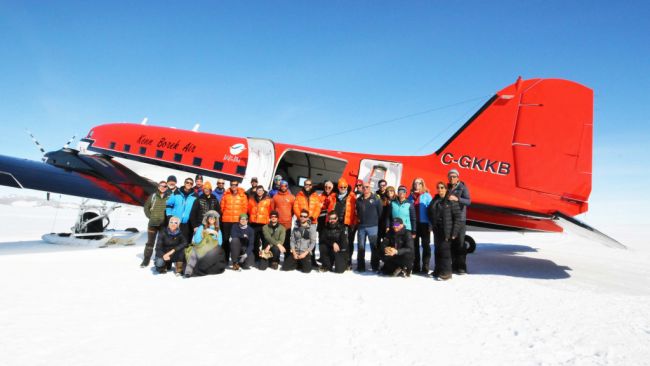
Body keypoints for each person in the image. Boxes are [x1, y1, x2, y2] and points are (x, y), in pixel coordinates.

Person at [428, 182, 462, 280]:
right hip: (437, 229)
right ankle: (438, 270)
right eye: (438, 188)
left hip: (447, 230)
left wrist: (455, 232)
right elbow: (430, 212)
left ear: (446, 189)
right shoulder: (435, 199)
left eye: (442, 188)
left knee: (445, 252)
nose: (440, 189)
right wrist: (432, 224)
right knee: (438, 250)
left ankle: (446, 272)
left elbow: (457, 217)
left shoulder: (451, 200)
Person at [183, 210, 227, 277]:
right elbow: (197, 240)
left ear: (215, 219)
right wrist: (205, 234)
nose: (211, 219)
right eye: (210, 217)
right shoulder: (201, 227)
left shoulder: (218, 230)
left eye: (213, 217)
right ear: (207, 219)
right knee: (193, 252)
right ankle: (188, 271)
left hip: (213, 249)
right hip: (202, 247)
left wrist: (212, 239)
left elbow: (220, 242)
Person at [293, 178, 322, 267]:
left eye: (309, 184)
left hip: (312, 222)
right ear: (304, 185)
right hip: (301, 221)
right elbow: (295, 207)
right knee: (300, 239)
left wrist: (313, 217)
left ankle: (311, 259)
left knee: (311, 240)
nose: (307, 186)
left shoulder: (315, 195)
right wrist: (301, 217)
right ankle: (299, 259)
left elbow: (318, 207)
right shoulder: (299, 195)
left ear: (311, 185)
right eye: (306, 184)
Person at [447, 169, 471, 274]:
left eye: (454, 176)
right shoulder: (447, 188)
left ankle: (461, 267)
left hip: (460, 220)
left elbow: (468, 201)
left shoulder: (463, 187)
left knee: (460, 244)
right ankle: (454, 265)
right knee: (452, 244)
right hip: (450, 220)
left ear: (458, 178)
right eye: (450, 176)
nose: (452, 178)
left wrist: (458, 199)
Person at [141, 180, 169, 267]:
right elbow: (146, 207)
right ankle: (146, 259)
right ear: (158, 186)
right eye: (161, 185)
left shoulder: (169, 197)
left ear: (167, 188)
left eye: (165, 186)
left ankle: (158, 259)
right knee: (150, 243)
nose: (163, 187)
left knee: (160, 243)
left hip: (163, 224)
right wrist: (150, 216)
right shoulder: (153, 196)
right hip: (152, 224)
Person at [355, 182, 382, 272]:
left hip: (373, 227)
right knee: (361, 247)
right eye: (363, 187)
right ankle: (360, 266)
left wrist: (375, 221)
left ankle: (374, 265)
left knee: (373, 247)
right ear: (361, 189)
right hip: (361, 227)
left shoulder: (376, 199)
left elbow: (380, 212)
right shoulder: (358, 200)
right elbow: (357, 212)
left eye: (367, 187)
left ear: (370, 188)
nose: (365, 189)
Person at [408, 177, 433, 274]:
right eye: (415, 183)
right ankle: (416, 266)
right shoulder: (410, 197)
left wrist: (431, 225)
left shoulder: (427, 196)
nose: (417, 185)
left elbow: (431, 211)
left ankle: (425, 266)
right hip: (414, 225)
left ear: (422, 184)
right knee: (414, 246)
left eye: (419, 183)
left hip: (425, 224)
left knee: (426, 245)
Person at [220, 180, 248, 264]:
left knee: (237, 240)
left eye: (235, 185)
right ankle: (225, 259)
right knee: (225, 240)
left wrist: (241, 220)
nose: (234, 186)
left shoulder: (242, 196)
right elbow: (222, 207)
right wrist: (225, 214)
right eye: (232, 184)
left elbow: (244, 208)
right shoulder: (226, 195)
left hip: (237, 221)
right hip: (227, 221)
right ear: (230, 185)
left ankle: (236, 259)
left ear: (237, 185)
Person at [282, 209, 317, 273]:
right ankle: (298, 262)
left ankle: (301, 262)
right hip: (296, 251)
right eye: (301, 216)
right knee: (285, 267)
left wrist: (305, 253)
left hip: (305, 252)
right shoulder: (296, 227)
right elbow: (292, 241)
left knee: (306, 270)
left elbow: (313, 243)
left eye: (305, 216)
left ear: (307, 218)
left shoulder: (311, 228)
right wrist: (294, 252)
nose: (302, 218)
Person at [333, 178, 357, 269]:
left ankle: (348, 262)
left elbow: (356, 210)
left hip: (347, 223)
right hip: (336, 223)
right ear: (338, 187)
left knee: (348, 243)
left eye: (344, 187)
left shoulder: (352, 196)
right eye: (341, 187)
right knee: (337, 241)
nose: (343, 188)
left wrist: (353, 223)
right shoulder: (334, 196)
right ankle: (338, 260)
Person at [166, 177, 198, 242]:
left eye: (191, 183)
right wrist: (169, 216)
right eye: (187, 182)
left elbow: (196, 210)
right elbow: (168, 205)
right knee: (172, 242)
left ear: (192, 185)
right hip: (175, 222)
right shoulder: (176, 193)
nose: (189, 184)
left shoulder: (195, 196)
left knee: (185, 243)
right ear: (184, 183)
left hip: (187, 224)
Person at [248, 185, 273, 262]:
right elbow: (249, 210)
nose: (259, 192)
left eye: (261, 190)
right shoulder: (251, 200)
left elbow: (270, 211)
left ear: (263, 191)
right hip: (254, 224)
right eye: (258, 190)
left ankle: (264, 257)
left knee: (265, 241)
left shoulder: (268, 200)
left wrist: (268, 221)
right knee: (255, 241)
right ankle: (256, 256)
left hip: (264, 224)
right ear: (256, 191)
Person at [271, 180, 295, 256]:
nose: (283, 187)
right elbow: (272, 209)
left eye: (285, 186)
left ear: (287, 186)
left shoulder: (292, 197)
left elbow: (293, 210)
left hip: (287, 222)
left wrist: (289, 216)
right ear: (280, 186)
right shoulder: (275, 196)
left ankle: (286, 257)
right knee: (277, 240)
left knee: (286, 240)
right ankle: (275, 259)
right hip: (278, 222)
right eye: (282, 186)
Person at [378, 185, 396, 253]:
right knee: (385, 242)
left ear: (394, 192)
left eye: (391, 191)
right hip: (384, 224)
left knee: (394, 242)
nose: (389, 192)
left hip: (394, 223)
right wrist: (386, 226)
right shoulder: (383, 200)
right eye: (388, 191)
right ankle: (385, 259)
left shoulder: (396, 200)